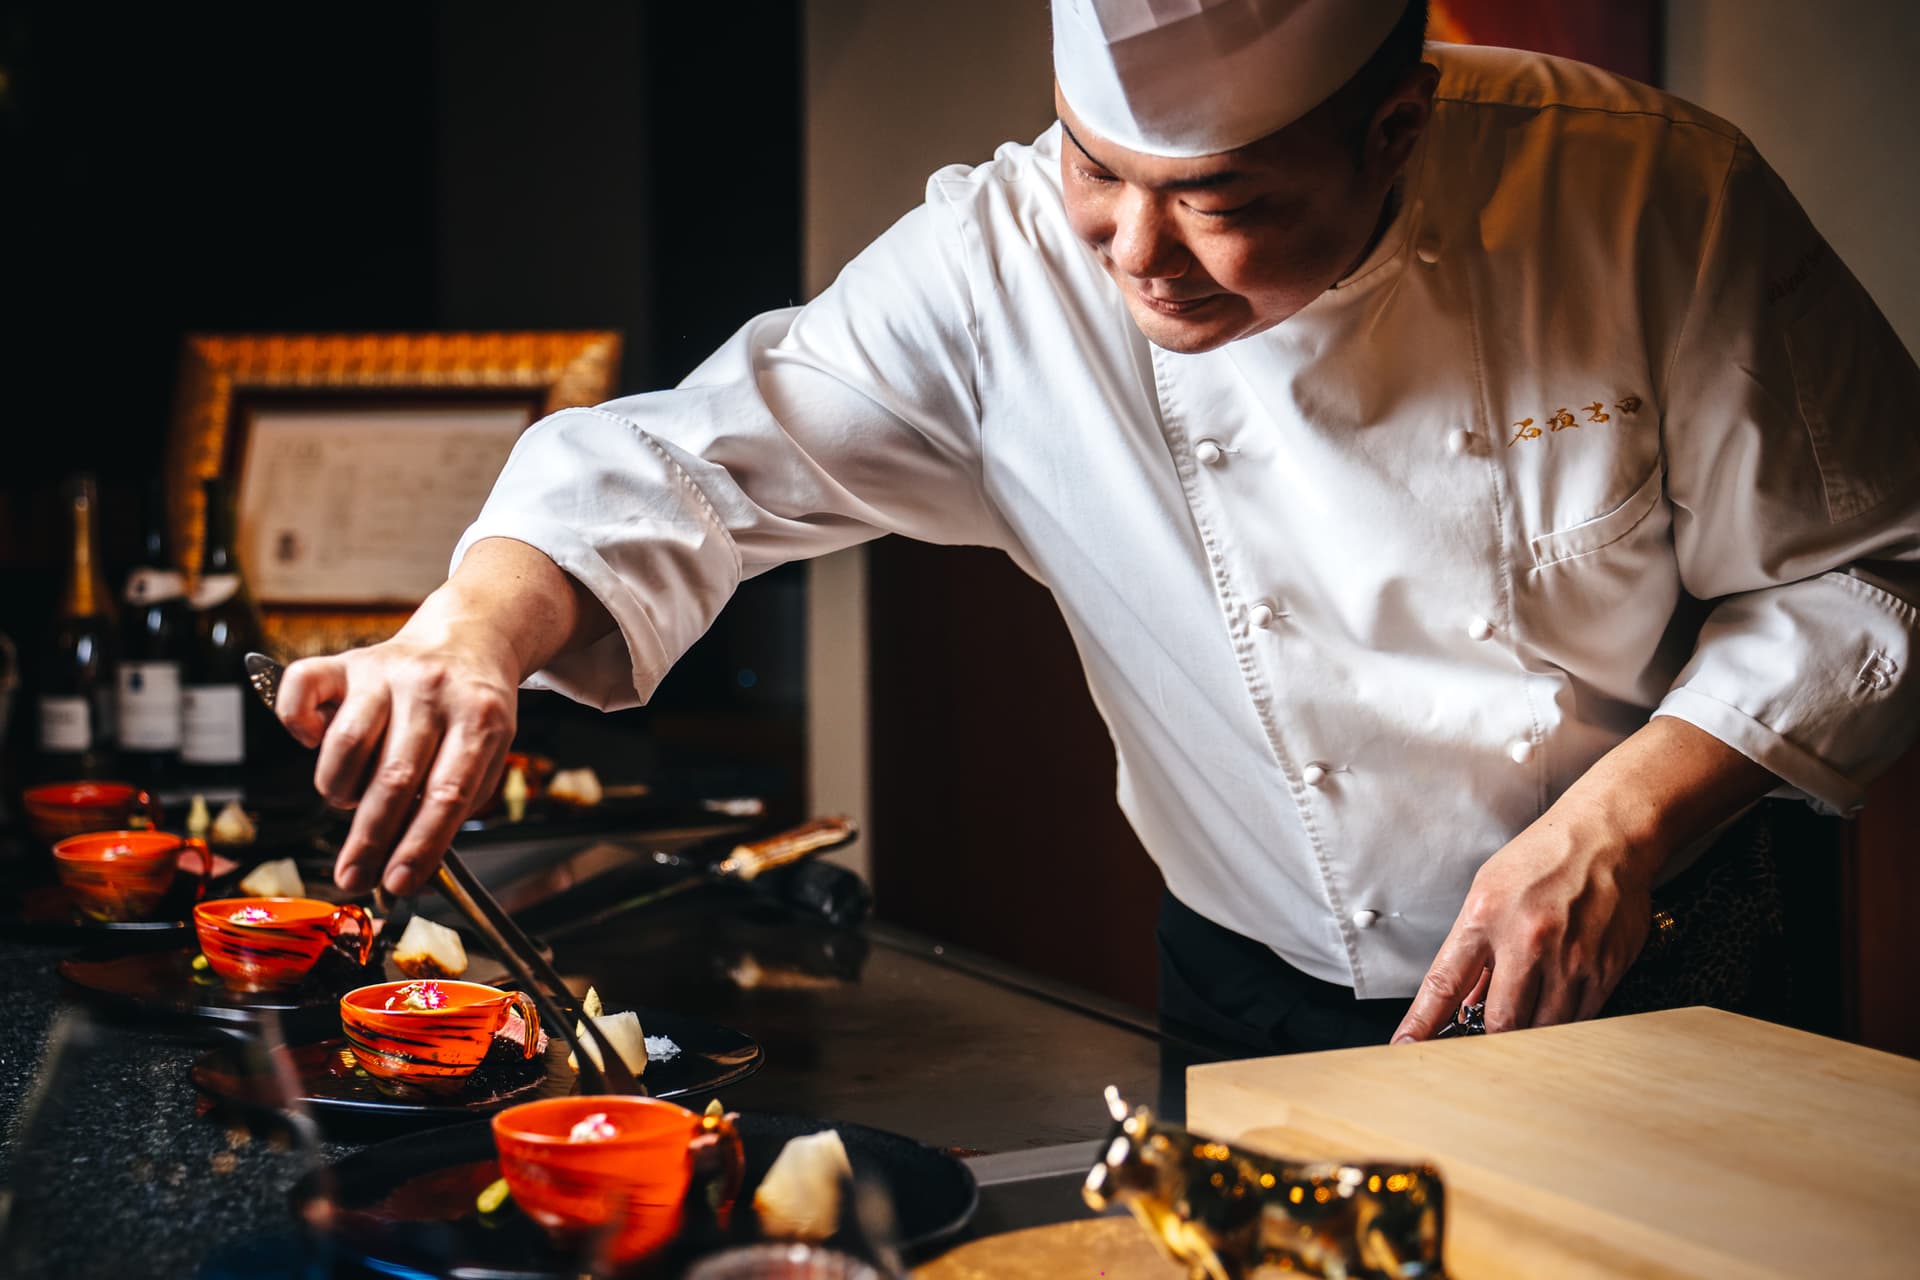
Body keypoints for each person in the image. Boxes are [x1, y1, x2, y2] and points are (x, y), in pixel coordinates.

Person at [276, 0, 1920, 1052]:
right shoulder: (997, 271)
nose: (1140, 254)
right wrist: (469, 636)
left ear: (1396, 135)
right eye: (1098, 172)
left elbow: (1875, 569)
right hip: (1254, 985)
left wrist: (1618, 822)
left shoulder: (1646, 194)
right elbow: (684, 466)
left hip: (1666, 957)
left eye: (1222, 202)